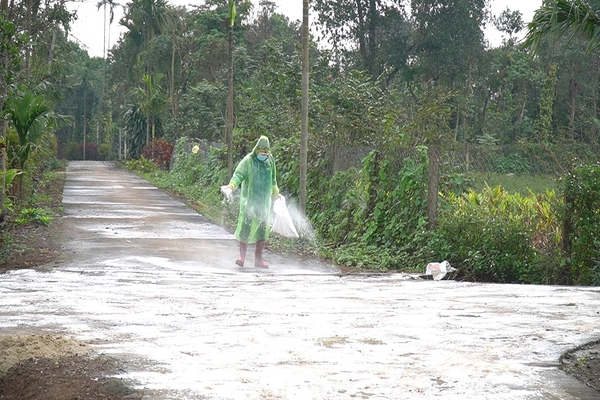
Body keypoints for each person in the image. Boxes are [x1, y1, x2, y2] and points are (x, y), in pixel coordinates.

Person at [226, 135, 280, 268]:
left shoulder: (270, 161)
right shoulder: (248, 161)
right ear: (256, 149)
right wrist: (232, 185)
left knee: (262, 230)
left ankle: (258, 260)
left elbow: (273, 179)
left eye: (266, 152)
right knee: (245, 228)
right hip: (249, 201)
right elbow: (238, 175)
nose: (264, 154)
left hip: (264, 202)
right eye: (262, 151)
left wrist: (276, 193)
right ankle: (241, 258)